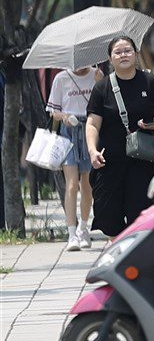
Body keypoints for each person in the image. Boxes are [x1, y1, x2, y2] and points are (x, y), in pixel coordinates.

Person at [86, 36, 154, 238]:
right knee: (107, 215)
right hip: (110, 162)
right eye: (118, 52)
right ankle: (116, 242)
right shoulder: (102, 88)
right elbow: (92, 123)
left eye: (127, 50)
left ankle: (134, 255)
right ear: (110, 58)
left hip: (143, 162)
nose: (123, 55)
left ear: (135, 54)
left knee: (140, 214)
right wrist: (92, 150)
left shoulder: (151, 82)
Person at [46, 66, 102, 250]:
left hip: (89, 131)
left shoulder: (96, 75)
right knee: (71, 183)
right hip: (68, 132)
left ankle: (83, 228)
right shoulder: (61, 78)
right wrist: (65, 116)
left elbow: (103, 103)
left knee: (86, 183)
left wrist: (99, 81)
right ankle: (71, 233)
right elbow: (53, 111)